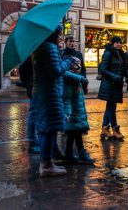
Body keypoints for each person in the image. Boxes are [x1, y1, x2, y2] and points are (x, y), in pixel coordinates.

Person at [32, 24, 77, 177]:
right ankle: (46, 165)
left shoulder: (42, 47)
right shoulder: (49, 48)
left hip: (45, 93)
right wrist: (68, 62)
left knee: (48, 128)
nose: (61, 37)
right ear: (53, 34)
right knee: (48, 130)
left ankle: (48, 163)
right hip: (49, 95)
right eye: (59, 34)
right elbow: (55, 71)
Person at [63, 58, 95, 164]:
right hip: (73, 112)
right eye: (77, 64)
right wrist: (67, 112)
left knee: (74, 132)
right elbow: (67, 98)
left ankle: (69, 153)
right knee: (75, 131)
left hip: (77, 111)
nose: (79, 66)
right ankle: (81, 152)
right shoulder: (71, 80)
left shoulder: (77, 79)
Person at [98, 36, 125, 140]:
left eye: (120, 42)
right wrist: (115, 77)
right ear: (112, 43)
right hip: (110, 84)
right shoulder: (109, 53)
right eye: (116, 42)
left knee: (110, 106)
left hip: (116, 84)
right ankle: (114, 128)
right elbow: (103, 69)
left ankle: (105, 129)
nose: (118, 44)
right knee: (111, 107)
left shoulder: (119, 53)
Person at [19, 56, 39, 154]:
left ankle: (37, 140)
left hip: (39, 87)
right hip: (34, 87)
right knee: (33, 114)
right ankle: (32, 142)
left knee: (38, 114)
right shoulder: (32, 55)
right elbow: (22, 69)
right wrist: (27, 83)